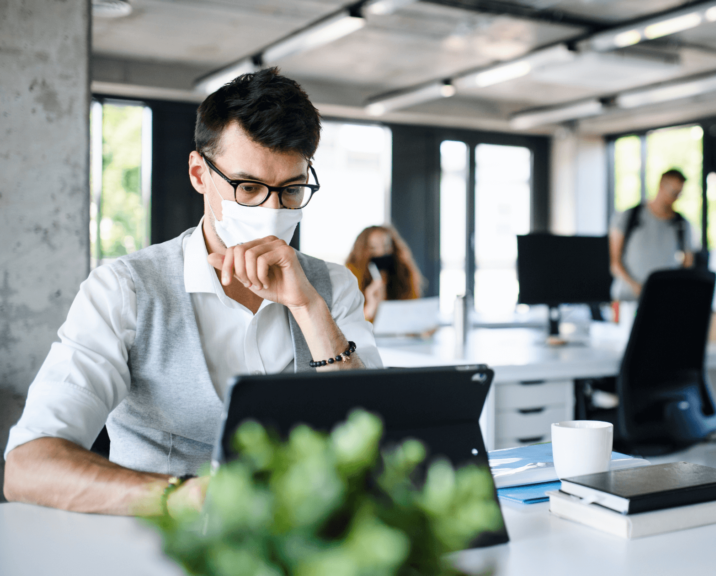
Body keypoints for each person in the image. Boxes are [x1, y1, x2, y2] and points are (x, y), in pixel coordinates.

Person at [3, 68, 382, 517]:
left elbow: (377, 440)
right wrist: (188, 498)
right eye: (249, 187)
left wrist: (309, 309)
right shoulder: (124, 290)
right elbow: (27, 467)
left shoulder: (332, 287)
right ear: (199, 173)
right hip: (153, 548)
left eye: (292, 190)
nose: (272, 210)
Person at [609, 169, 695, 301]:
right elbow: (615, 264)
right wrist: (636, 287)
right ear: (661, 186)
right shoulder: (629, 216)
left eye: (679, 194)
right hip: (628, 298)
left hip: (664, 299)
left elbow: (688, 264)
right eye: (673, 192)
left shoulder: (681, 224)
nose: (675, 198)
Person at [345, 225, 422, 323]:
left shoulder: (403, 273)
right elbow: (347, 326)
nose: (380, 253)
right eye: (372, 248)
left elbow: (413, 308)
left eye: (386, 247)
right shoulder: (349, 276)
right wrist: (371, 306)